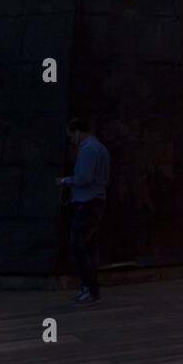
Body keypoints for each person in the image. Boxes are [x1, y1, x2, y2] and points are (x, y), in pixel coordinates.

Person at [57, 117, 111, 304]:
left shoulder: (88, 149)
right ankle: (91, 288)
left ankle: (90, 288)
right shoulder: (100, 148)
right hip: (96, 201)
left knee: (77, 246)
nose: (71, 140)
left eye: (71, 135)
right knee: (88, 247)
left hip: (87, 203)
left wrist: (65, 181)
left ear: (78, 131)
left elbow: (83, 178)